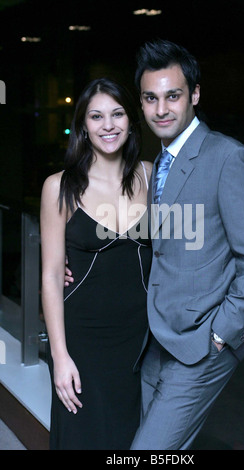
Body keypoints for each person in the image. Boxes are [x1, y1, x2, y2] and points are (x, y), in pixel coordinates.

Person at [65, 39, 244, 450]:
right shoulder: (156, 164)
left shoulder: (228, 158)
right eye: (150, 98)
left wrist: (220, 335)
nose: (161, 109)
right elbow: (143, 241)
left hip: (201, 343)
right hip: (155, 340)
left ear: (195, 95)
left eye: (173, 96)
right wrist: (63, 260)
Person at [40, 77, 152, 450]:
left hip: (141, 339)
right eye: (96, 116)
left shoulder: (151, 176)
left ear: (130, 120)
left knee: (132, 441)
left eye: (117, 114)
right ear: (83, 126)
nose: (108, 125)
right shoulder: (60, 186)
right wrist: (59, 357)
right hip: (84, 341)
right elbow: (53, 275)